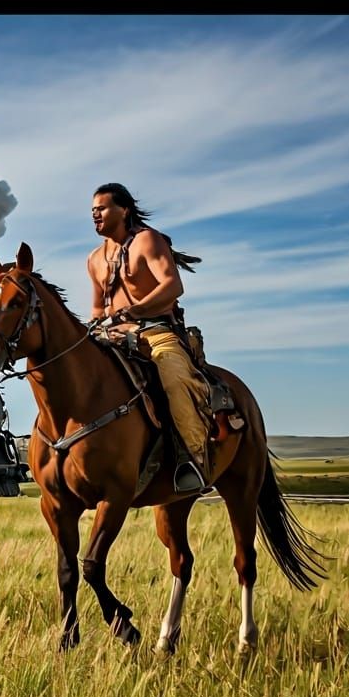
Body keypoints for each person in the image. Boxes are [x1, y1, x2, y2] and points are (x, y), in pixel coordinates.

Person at [86, 182, 210, 493]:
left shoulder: (148, 241)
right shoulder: (95, 259)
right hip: (111, 336)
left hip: (155, 332)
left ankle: (192, 458)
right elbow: (98, 308)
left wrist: (133, 311)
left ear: (124, 209)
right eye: (92, 211)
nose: (95, 215)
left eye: (101, 208)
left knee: (175, 380)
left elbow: (172, 286)